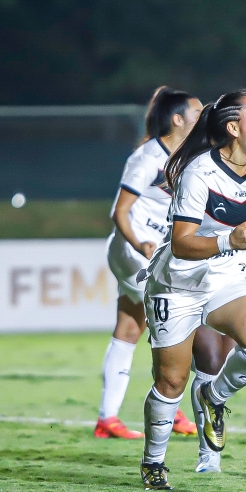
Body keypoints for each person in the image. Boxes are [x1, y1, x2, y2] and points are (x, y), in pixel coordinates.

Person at [139, 89, 246, 490]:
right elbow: (183, 242)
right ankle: (154, 462)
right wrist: (227, 241)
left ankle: (213, 398)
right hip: (178, 282)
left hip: (227, 277)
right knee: (171, 381)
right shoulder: (199, 172)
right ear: (233, 128)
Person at [97, 87, 205, 440]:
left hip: (151, 253)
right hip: (132, 251)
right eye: (197, 112)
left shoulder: (189, 156)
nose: (202, 117)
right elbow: (120, 212)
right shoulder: (147, 157)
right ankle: (170, 408)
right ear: (177, 120)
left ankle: (107, 419)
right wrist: (140, 243)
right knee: (175, 321)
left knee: (130, 327)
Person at [189, 208, 246, 474]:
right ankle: (155, 462)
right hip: (189, 276)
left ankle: (209, 455)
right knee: (192, 367)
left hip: (235, 276)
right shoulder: (194, 171)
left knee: (222, 360)